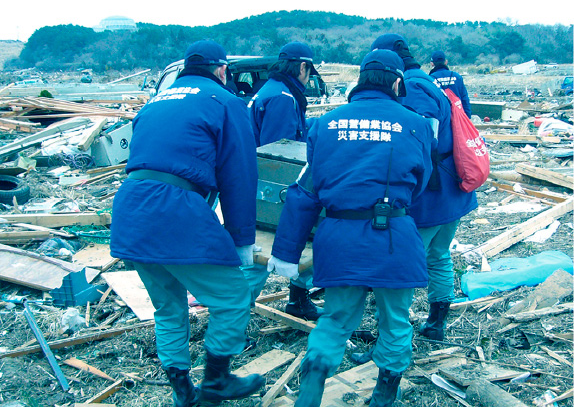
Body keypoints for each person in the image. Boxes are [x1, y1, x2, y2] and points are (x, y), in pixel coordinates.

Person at [267, 49, 434, 407]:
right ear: (395, 81)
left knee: (336, 318)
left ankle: (311, 389)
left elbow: (304, 192)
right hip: (394, 238)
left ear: (361, 79)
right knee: (395, 320)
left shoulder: (325, 124)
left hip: (340, 237)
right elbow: (421, 184)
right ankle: (383, 395)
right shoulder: (415, 123)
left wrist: (285, 254)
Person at [110, 40, 264, 406]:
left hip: (130, 208)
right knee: (232, 297)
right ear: (223, 70)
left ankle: (183, 392)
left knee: (168, 307)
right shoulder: (226, 102)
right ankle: (217, 382)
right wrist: (242, 241)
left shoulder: (155, 102)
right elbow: (239, 176)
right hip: (174, 209)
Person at [372, 34, 478, 342]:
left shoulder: (414, 86)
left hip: (431, 194)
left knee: (397, 264)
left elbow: (421, 141)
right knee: (439, 255)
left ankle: (390, 338)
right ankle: (435, 325)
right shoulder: (425, 81)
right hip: (450, 191)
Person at [246, 41, 324, 321]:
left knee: (300, 244)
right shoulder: (282, 98)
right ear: (303, 67)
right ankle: (233, 319)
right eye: (309, 71)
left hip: (256, 185)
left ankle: (298, 299)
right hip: (266, 192)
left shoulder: (271, 90)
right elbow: (279, 155)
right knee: (263, 256)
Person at [429, 50, 472, 118]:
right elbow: (465, 99)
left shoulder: (430, 79)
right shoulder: (457, 77)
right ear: (446, 62)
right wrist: (467, 117)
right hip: (458, 116)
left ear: (432, 63)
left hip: (441, 118)